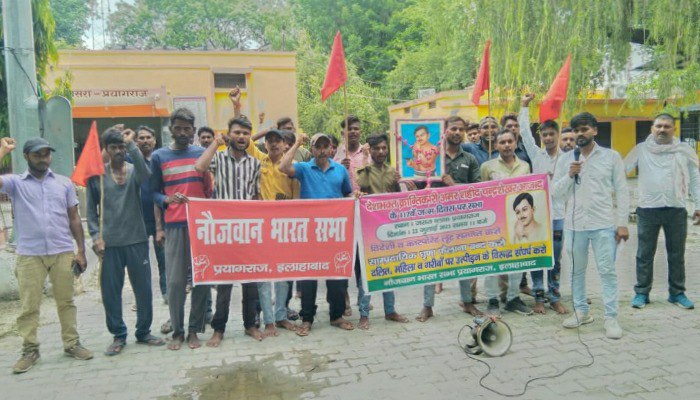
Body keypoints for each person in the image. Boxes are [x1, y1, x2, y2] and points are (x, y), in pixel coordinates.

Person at [0, 137, 93, 374]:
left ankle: (71, 344)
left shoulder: (63, 184)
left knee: (66, 301)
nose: (43, 158)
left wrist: (81, 251)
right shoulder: (15, 183)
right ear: (26, 157)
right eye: (37, 154)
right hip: (30, 255)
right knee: (29, 306)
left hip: (62, 251)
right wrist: (2, 151)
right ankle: (30, 349)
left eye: (46, 154)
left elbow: (74, 218)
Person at [87, 126, 164, 356]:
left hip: (136, 239)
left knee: (144, 289)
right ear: (107, 150)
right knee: (111, 291)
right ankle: (118, 335)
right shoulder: (97, 177)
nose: (119, 151)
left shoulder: (134, 171)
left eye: (122, 147)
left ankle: (143, 331)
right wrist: (95, 236)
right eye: (114, 147)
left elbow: (146, 175)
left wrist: (132, 144)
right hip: (110, 243)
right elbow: (91, 211)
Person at [552, 112, 629, 339]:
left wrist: (622, 223)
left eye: (584, 129)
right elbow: (556, 193)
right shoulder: (566, 159)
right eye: (576, 130)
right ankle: (581, 312)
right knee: (577, 271)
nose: (579, 134)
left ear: (594, 130)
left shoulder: (611, 156)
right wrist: (569, 175)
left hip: (603, 224)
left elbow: (622, 191)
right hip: (575, 226)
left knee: (607, 271)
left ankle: (611, 318)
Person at [194, 117, 264, 345]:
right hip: (224, 233)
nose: (242, 137)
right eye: (237, 132)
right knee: (224, 284)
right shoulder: (218, 158)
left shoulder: (255, 164)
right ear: (229, 134)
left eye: (246, 133)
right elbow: (199, 167)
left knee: (250, 285)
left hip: (247, 232)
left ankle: (250, 325)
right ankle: (219, 329)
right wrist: (216, 142)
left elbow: (255, 196)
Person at [279, 132, 354, 336]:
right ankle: (307, 318)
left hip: (335, 232)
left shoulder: (340, 170)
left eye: (325, 146)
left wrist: (355, 197)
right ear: (311, 150)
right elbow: (283, 167)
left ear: (331, 149)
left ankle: (336, 315)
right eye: (317, 146)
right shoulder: (304, 168)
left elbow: (348, 194)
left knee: (337, 274)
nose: (322, 150)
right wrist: (296, 144)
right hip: (310, 233)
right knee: (308, 277)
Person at [150, 108, 212, 350]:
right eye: (179, 128)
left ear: (194, 131)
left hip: (200, 226)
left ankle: (194, 330)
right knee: (175, 283)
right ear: (171, 129)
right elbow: (152, 192)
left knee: (201, 280)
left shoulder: (202, 155)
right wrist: (165, 200)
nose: (183, 132)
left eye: (188, 128)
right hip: (175, 226)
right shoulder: (159, 156)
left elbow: (210, 192)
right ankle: (177, 331)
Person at [626, 113, 700, 310]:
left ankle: (677, 293)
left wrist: (699, 205)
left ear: (674, 129)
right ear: (652, 128)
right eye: (658, 126)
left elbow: (694, 178)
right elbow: (622, 169)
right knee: (644, 254)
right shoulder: (641, 149)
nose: (662, 129)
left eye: (667, 126)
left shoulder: (684, 150)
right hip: (647, 210)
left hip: (676, 209)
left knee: (676, 254)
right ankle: (641, 293)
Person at [417, 116, 483, 322]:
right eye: (453, 129)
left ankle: (467, 302)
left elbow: (477, 190)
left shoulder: (470, 159)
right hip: (435, 218)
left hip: (461, 219)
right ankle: (427, 306)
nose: (457, 132)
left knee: (465, 260)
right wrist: (411, 183)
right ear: (444, 131)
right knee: (431, 261)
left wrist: (453, 185)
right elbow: (419, 184)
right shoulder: (432, 157)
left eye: (460, 130)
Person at [243, 128, 300, 335]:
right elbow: (247, 140)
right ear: (265, 144)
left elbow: (296, 199)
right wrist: (238, 106)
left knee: (284, 274)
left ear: (285, 144)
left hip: (285, 227)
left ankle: (281, 316)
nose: (274, 144)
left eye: (278, 140)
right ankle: (268, 321)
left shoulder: (291, 166)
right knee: (264, 275)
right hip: (263, 227)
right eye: (270, 141)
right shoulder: (260, 160)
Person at [354, 133, 411, 329]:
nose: (381, 152)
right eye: (376, 148)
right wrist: (364, 160)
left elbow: (399, 198)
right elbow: (359, 187)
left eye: (384, 148)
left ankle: (390, 310)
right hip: (368, 230)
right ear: (371, 150)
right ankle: (363, 313)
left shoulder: (393, 172)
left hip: (388, 229)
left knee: (390, 270)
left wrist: (402, 183)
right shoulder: (365, 170)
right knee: (367, 273)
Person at [518, 94, 568, 314]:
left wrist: (552, 181)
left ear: (558, 135)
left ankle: (554, 296)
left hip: (557, 216)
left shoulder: (567, 159)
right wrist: (524, 106)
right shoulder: (536, 155)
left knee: (555, 260)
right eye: (544, 134)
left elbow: (565, 188)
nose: (548, 138)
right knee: (538, 257)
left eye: (551, 134)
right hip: (537, 217)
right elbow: (525, 133)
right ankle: (539, 296)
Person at [480, 129, 533, 316]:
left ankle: (512, 299)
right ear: (496, 146)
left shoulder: (525, 166)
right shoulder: (487, 167)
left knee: (518, 262)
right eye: (502, 142)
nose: (507, 145)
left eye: (510, 141)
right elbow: (482, 194)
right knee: (492, 263)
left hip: (517, 222)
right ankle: (493, 300)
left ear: (516, 143)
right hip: (494, 222)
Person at [135, 126, 167, 303]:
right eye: (141, 138)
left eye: (148, 137)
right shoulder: (130, 159)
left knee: (164, 260)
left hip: (160, 218)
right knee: (141, 262)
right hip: (138, 219)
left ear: (154, 140)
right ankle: (143, 298)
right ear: (136, 142)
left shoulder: (160, 159)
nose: (145, 140)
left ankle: (167, 293)